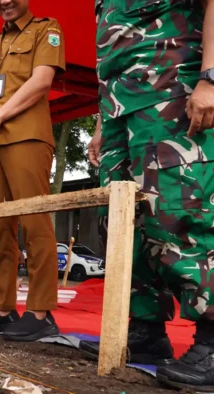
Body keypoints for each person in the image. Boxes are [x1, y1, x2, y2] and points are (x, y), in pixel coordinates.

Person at [79, 0, 214, 390]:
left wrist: (210, 76)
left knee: (181, 211)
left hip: (173, 86)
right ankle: (145, 330)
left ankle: (211, 339)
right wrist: (105, 118)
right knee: (124, 221)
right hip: (121, 106)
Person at [0, 0, 64, 341]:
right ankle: (2, 309)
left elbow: (41, 81)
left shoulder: (46, 30)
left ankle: (40, 312)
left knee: (35, 221)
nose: (4, 1)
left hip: (27, 137)